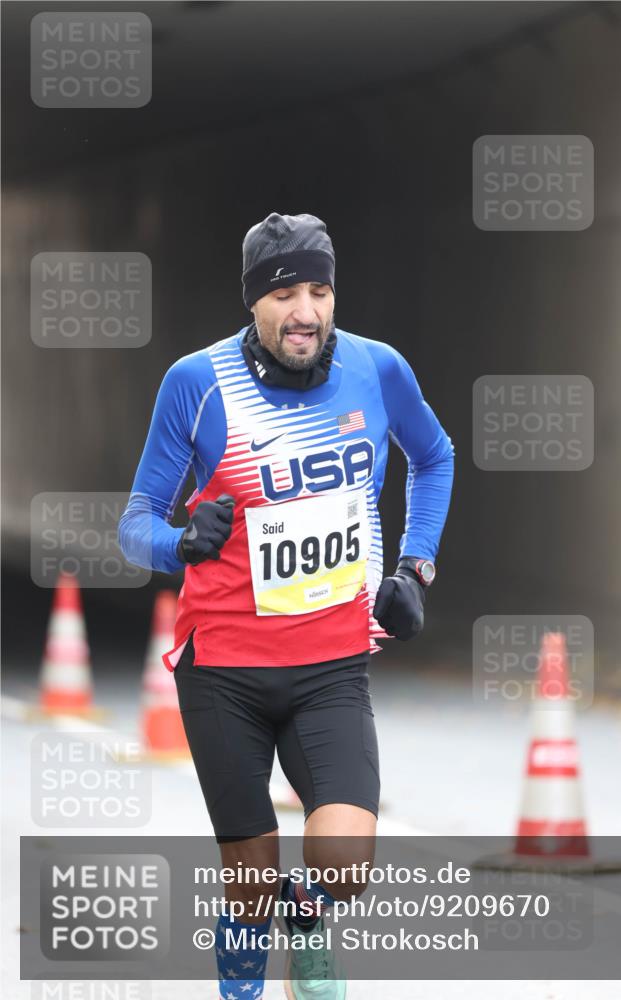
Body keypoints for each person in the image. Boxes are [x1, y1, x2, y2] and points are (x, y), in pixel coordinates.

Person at [119, 212, 454, 1000]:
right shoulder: (196, 384)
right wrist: (180, 544)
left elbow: (434, 455)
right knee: (247, 887)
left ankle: (302, 917)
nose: (303, 310)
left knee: (344, 868)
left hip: (331, 662)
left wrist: (415, 568)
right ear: (252, 305)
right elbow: (135, 524)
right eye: (282, 294)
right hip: (224, 669)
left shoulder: (378, 370)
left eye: (318, 289)